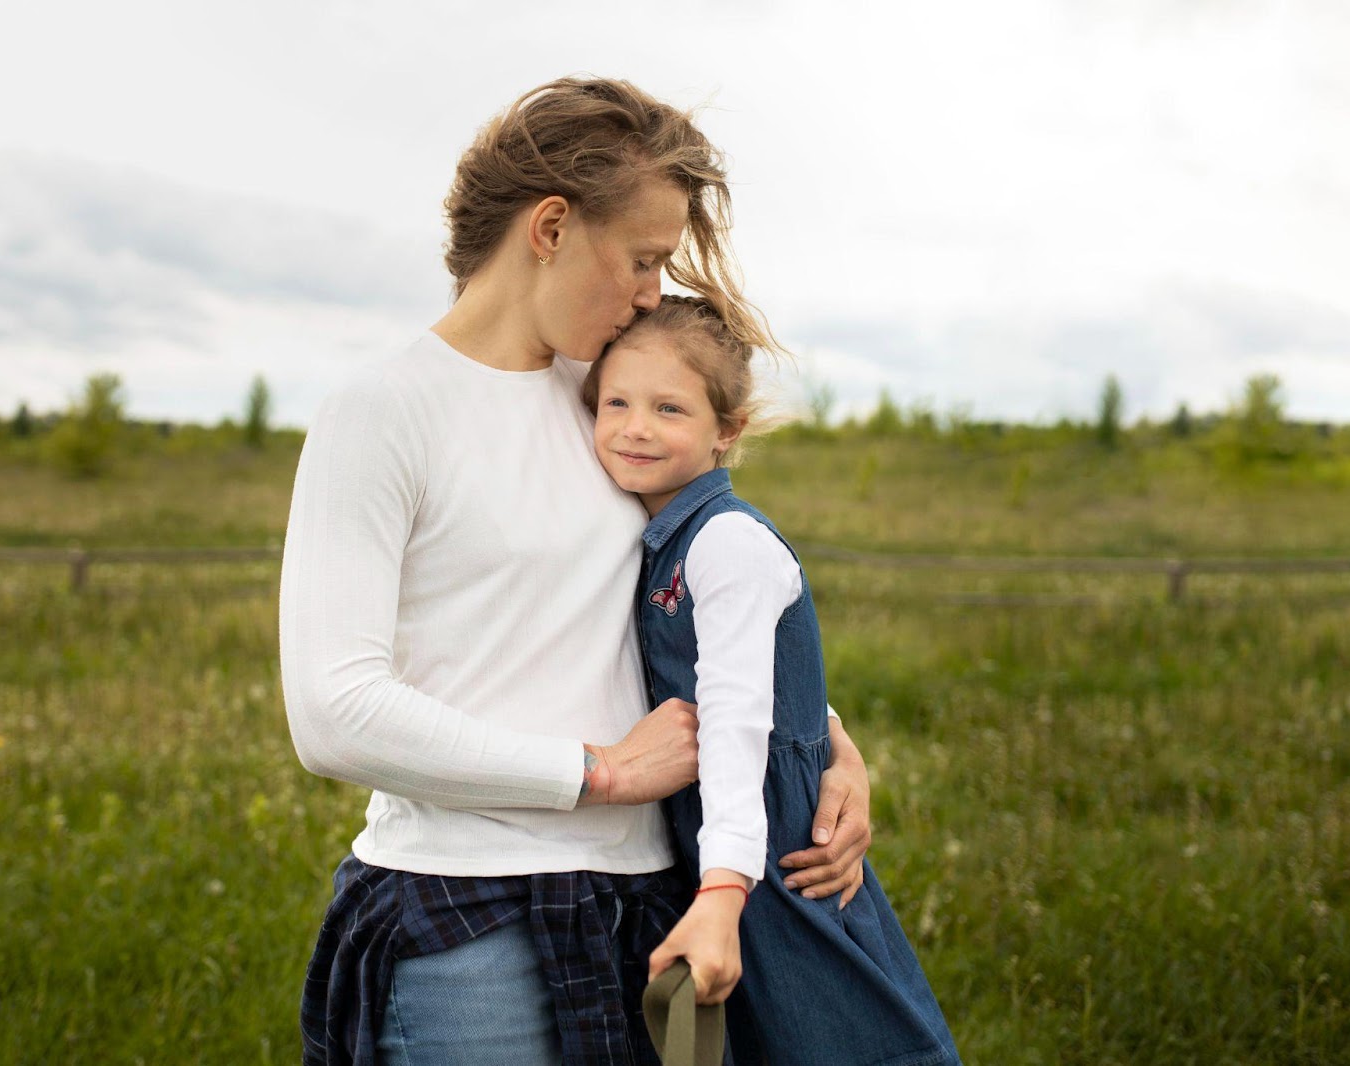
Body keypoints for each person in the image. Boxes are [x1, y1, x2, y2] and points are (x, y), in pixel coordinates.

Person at [281, 77, 876, 1065]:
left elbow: (700, 598)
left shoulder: (613, 402)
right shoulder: (383, 409)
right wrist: (597, 773)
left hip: (646, 900)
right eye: (642, 258)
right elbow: (332, 710)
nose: (653, 292)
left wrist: (818, 742)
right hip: (466, 916)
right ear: (551, 226)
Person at [584, 295, 961, 1065]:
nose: (635, 427)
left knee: (839, 1041)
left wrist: (725, 888)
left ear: (728, 430)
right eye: (615, 402)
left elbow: (736, 715)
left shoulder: (725, 541)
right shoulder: (659, 536)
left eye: (669, 408)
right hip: (714, 843)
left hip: (774, 853)